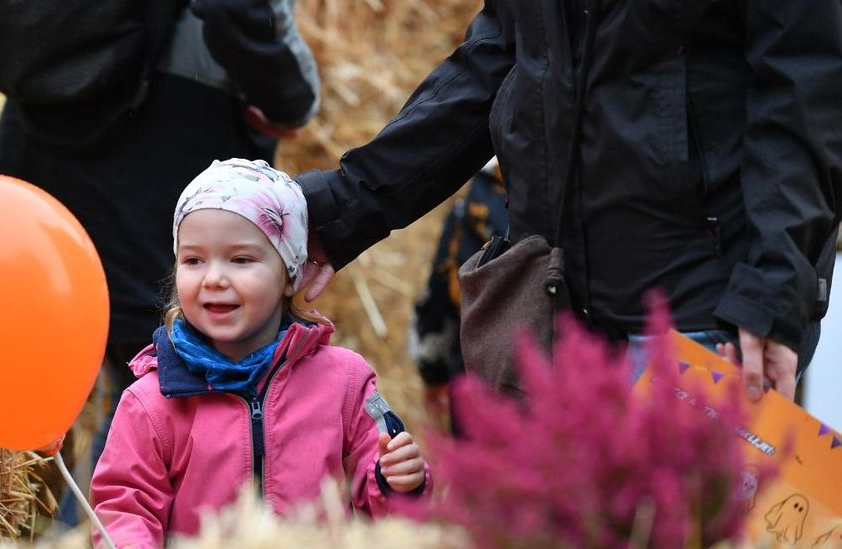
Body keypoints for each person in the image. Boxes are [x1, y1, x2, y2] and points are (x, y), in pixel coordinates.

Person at [296, 1, 841, 405]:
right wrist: (340, 210)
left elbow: (806, 95)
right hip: (550, 301)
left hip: (698, 314)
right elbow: (500, 60)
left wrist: (775, 288)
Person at [0, 1, 322, 524]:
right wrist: (289, 95)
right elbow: (246, 18)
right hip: (163, 161)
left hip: (34, 165)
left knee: (29, 383)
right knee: (150, 384)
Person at [90, 158, 430, 549]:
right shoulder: (152, 401)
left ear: (291, 274)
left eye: (240, 260)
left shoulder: (346, 383)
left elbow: (390, 507)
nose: (213, 278)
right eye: (194, 260)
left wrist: (399, 482)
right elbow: (125, 503)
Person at [409, 159, 508, 433]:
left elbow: (443, 286)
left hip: (476, 372)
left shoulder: (476, 205)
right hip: (562, 382)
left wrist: (433, 370)